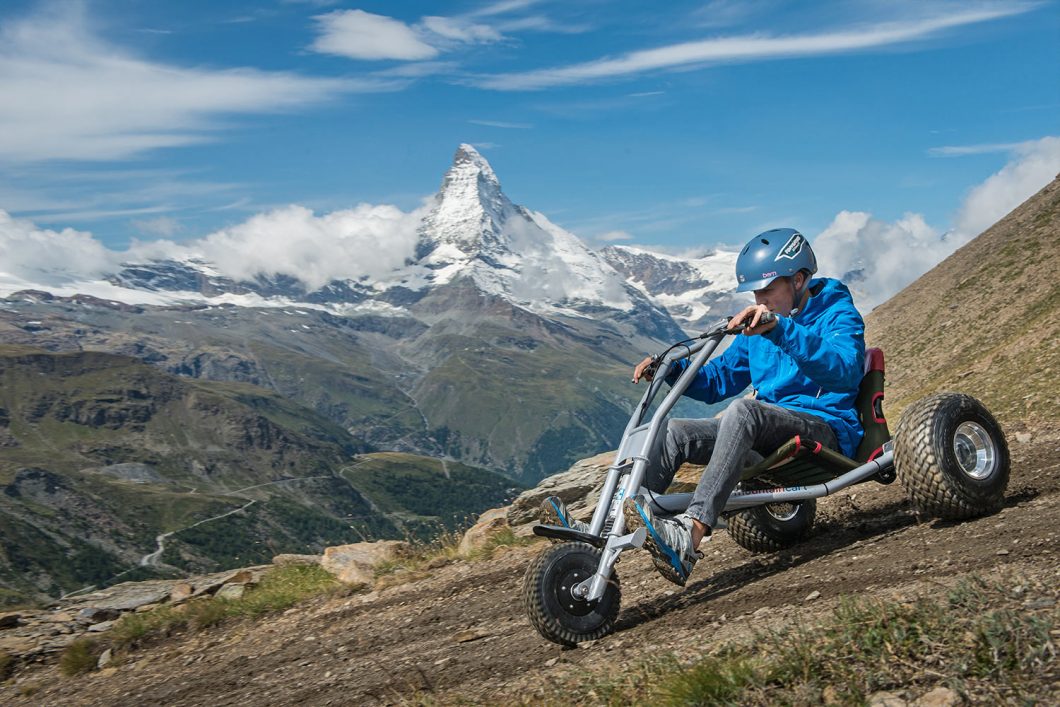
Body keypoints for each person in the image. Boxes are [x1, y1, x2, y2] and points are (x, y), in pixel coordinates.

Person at [541, 228, 866, 586]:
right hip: (772, 428)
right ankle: (606, 526)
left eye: (768, 289)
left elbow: (845, 371)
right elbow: (719, 381)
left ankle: (689, 536)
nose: (760, 299)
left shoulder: (836, 310)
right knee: (675, 431)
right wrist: (671, 369)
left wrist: (781, 330)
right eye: (756, 291)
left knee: (744, 411)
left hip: (825, 427)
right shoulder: (763, 324)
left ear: (799, 279)